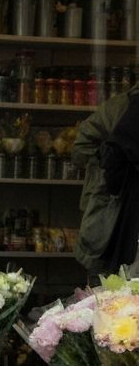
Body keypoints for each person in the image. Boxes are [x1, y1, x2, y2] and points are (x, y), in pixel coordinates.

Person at [73, 81, 139, 276]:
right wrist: (105, 164)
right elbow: (81, 148)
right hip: (113, 207)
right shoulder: (124, 108)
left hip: (112, 208)